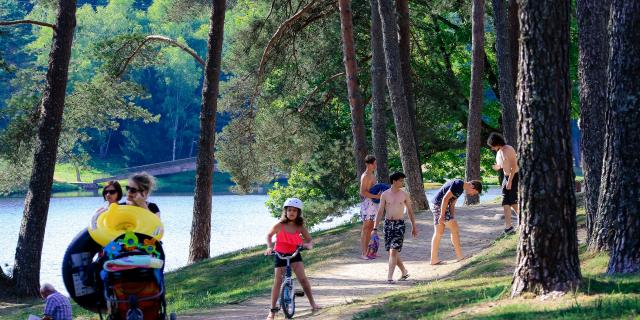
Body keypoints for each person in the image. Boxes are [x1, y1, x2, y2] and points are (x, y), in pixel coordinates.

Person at [264, 198, 320, 320]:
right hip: (280, 255)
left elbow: (309, 240)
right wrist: (269, 247)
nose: (292, 212)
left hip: (295, 254)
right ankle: (272, 312)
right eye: (289, 210)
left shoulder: (300, 227)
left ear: (298, 213)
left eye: (295, 210)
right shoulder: (279, 225)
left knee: (303, 279)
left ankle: (313, 304)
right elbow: (269, 235)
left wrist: (309, 245)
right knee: (278, 281)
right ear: (285, 211)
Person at [372, 172, 418, 283]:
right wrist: (374, 228)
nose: (402, 182)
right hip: (388, 225)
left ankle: (389, 277)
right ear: (394, 181)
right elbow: (380, 212)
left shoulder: (404, 194)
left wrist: (414, 226)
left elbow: (410, 212)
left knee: (393, 251)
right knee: (391, 252)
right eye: (401, 180)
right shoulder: (385, 195)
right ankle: (404, 271)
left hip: (399, 225)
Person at [429, 179, 482, 265]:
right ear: (472, 186)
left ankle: (433, 259)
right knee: (455, 229)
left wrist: (452, 217)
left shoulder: (461, 188)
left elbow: (452, 204)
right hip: (439, 205)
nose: (472, 195)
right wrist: (442, 215)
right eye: (474, 193)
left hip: (437, 205)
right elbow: (445, 199)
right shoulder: (458, 184)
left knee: (439, 232)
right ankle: (460, 256)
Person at [487, 132, 519, 234]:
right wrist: (497, 167)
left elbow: (514, 167)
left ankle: (524, 219)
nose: (492, 148)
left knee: (513, 201)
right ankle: (508, 227)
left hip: (514, 177)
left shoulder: (509, 149)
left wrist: (509, 181)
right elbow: (501, 165)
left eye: (492, 146)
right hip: (506, 177)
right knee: (505, 202)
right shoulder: (499, 152)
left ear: (497, 143)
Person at [359, 155, 381, 260]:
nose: (375, 165)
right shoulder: (365, 176)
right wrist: (376, 196)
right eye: (374, 163)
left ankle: (371, 252)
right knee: (366, 228)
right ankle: (364, 253)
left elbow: (373, 189)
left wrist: (379, 194)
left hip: (373, 204)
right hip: (366, 204)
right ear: (368, 164)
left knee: (372, 228)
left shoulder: (372, 175)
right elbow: (362, 192)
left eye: (375, 163)